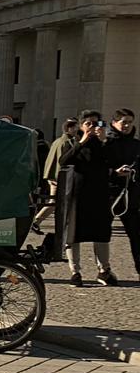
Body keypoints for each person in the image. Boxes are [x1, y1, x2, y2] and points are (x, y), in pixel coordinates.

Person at [58, 111, 118, 286]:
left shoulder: (105, 144)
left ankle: (104, 271)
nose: (93, 127)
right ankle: (75, 272)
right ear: (81, 126)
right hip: (77, 195)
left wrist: (103, 141)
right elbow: (64, 161)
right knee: (73, 235)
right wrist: (82, 141)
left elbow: (111, 162)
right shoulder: (72, 142)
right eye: (89, 123)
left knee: (101, 234)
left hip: (99, 196)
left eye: (97, 123)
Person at [108, 108, 138, 279]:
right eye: (123, 122)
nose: (126, 125)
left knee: (136, 235)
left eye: (129, 122)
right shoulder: (106, 144)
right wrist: (115, 172)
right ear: (114, 123)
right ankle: (104, 270)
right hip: (110, 196)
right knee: (103, 235)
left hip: (132, 197)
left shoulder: (136, 145)